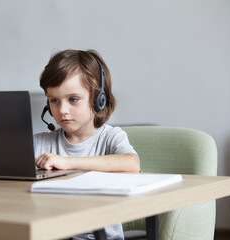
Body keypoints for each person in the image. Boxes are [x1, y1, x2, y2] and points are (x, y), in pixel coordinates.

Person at [34, 49, 140, 240]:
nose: (62, 110)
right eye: (54, 101)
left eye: (73, 99)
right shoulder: (40, 143)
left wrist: (69, 162)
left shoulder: (110, 137)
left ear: (99, 100)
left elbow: (131, 164)